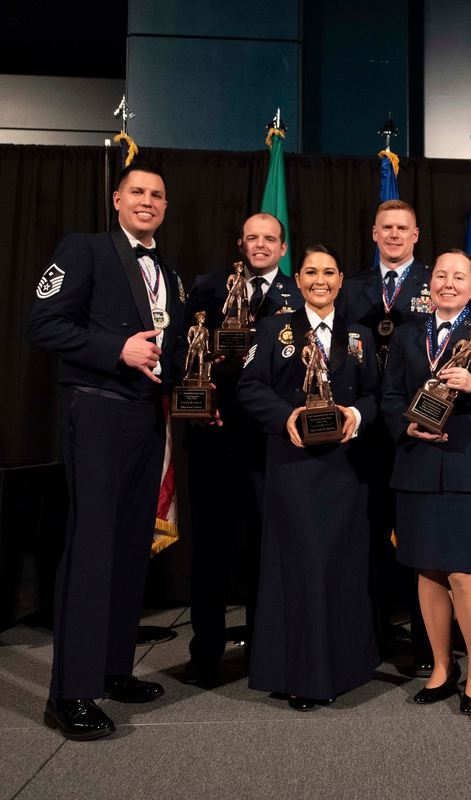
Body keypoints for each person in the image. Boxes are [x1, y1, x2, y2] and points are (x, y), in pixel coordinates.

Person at [29, 162, 185, 740]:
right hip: (95, 410)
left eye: (157, 196)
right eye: (137, 192)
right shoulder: (84, 249)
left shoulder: (166, 268)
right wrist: (114, 347)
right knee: (93, 548)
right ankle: (69, 692)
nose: (147, 201)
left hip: (147, 418)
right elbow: (42, 323)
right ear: (116, 198)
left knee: (127, 548)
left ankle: (114, 668)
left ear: (165, 208)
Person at [381, 250, 471, 714]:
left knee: (464, 572)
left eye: (458, 276)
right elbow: (390, 395)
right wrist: (406, 427)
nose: (447, 283)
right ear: (430, 284)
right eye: (440, 275)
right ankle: (443, 668)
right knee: (427, 571)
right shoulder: (405, 335)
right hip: (418, 462)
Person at [237, 245, 379, 710]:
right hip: (294, 468)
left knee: (342, 567)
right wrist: (287, 417)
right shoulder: (273, 328)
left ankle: (346, 668)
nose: (321, 280)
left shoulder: (359, 335)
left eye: (330, 272)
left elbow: (379, 395)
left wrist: (357, 413)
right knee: (299, 570)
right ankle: (298, 673)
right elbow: (249, 388)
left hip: (345, 471)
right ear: (296, 280)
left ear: (342, 280)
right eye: (312, 272)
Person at [181, 213, 296, 686]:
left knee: (266, 550)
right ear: (241, 242)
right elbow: (183, 353)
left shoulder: (300, 293)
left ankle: (265, 650)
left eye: (270, 239)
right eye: (252, 238)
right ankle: (205, 652)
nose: (261, 245)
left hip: (269, 440)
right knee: (210, 550)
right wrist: (195, 401)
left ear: (283, 248)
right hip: (212, 435)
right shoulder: (208, 288)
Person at [336, 199, 435, 675]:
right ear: (374, 234)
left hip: (422, 428)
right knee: (369, 537)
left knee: (419, 540)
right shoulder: (350, 287)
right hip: (365, 428)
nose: (394, 235)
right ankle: (369, 636)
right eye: (386, 228)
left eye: (403, 228)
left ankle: (425, 646)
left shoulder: (436, 282)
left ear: (416, 235)